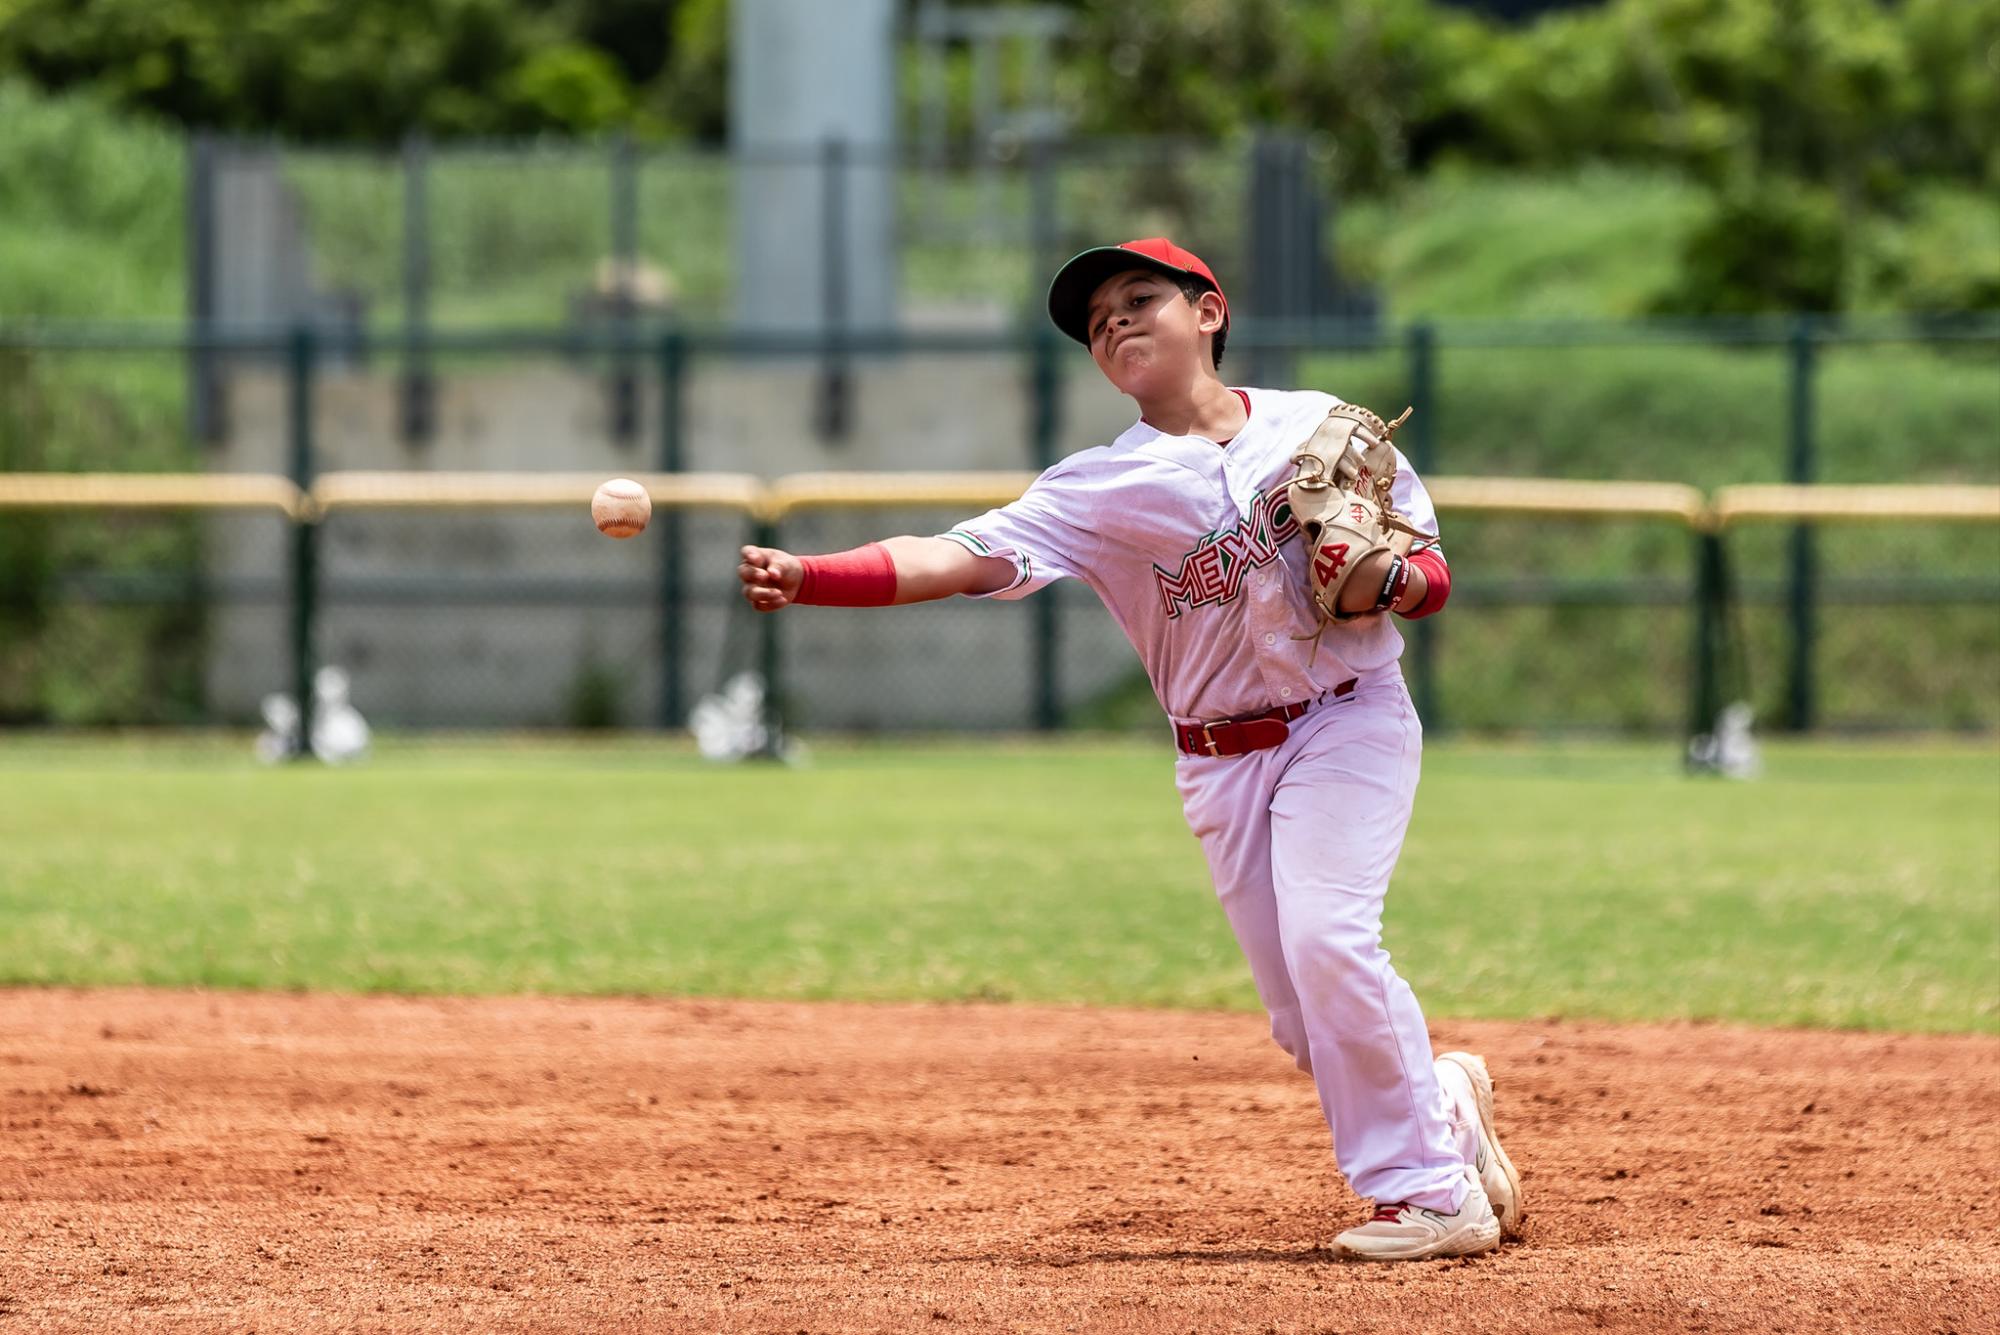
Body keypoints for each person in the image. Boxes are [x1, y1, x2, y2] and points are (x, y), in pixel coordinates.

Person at [736, 238, 1523, 1261]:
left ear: (1208, 313)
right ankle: (1442, 1104)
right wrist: (814, 576)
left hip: (1346, 716)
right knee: (1304, 1020)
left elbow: (1427, 571)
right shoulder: (1102, 485)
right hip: (1218, 757)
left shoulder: (1318, 430)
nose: (1112, 321)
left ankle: (1428, 1193)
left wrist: (1386, 578)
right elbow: (962, 555)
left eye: (1137, 298)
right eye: (1095, 318)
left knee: (1332, 941)